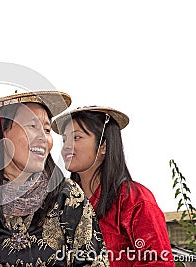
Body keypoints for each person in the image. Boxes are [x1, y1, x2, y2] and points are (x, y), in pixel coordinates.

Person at [0, 91, 109, 266]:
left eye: (47, 130)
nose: (43, 138)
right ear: (3, 131)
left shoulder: (67, 196)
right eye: (32, 126)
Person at [52, 106, 175, 266]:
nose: (66, 146)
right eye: (64, 140)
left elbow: (159, 262)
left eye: (77, 138)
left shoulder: (134, 199)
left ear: (103, 146)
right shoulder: (62, 203)